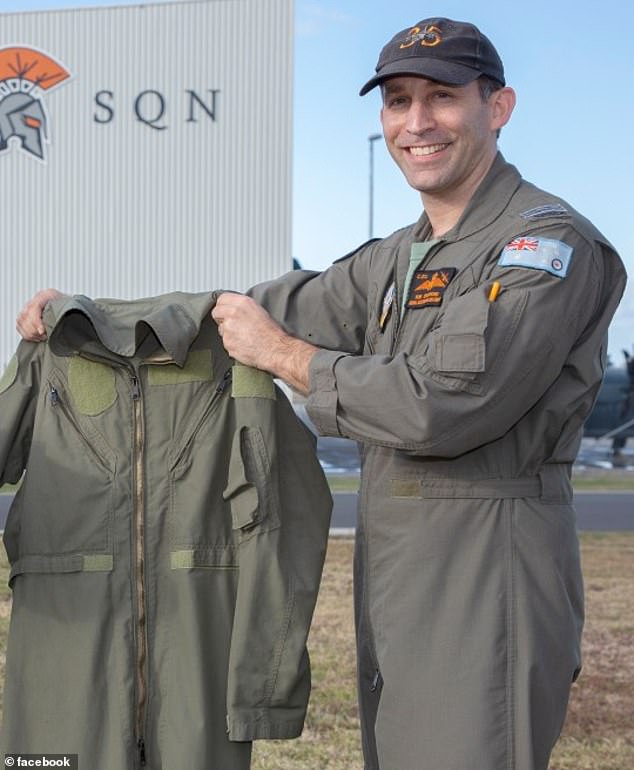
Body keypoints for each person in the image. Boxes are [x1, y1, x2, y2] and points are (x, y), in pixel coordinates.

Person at [16, 17, 627, 770]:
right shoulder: (399, 259)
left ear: (496, 107)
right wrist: (90, 314)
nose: (416, 123)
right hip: (400, 580)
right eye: (398, 101)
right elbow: (245, 309)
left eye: (441, 97)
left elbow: (440, 405)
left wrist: (289, 358)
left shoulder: (543, 248)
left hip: (488, 575)